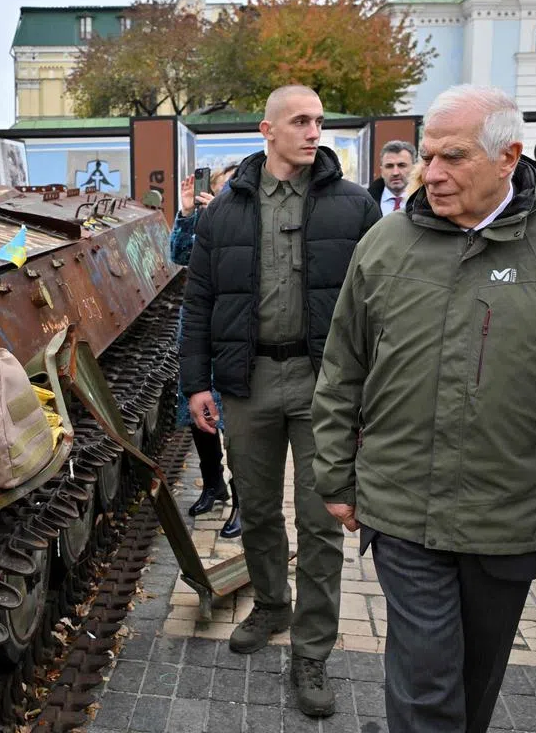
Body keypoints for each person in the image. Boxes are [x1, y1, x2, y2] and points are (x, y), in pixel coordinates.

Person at [313, 85, 536, 733]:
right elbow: (342, 367)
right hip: (403, 508)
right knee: (427, 684)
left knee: (476, 681)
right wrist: (335, 476)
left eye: (452, 158)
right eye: (428, 155)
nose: (429, 173)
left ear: (508, 157)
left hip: (513, 514)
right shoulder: (386, 245)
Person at [180, 85, 379, 718]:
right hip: (250, 381)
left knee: (322, 522)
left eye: (320, 121)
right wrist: (196, 382)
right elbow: (200, 301)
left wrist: (371, 390)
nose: (313, 131)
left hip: (327, 383)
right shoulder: (226, 211)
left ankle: (313, 646)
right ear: (267, 129)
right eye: (300, 121)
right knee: (258, 507)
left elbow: (382, 304)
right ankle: (271, 604)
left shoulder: (355, 208)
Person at [171, 164, 242, 538]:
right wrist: (186, 213)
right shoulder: (201, 219)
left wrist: (224, 217)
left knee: (237, 421)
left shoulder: (249, 220)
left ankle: (245, 500)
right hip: (199, 329)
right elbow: (179, 255)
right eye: (220, 187)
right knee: (199, 416)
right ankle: (213, 484)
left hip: (236, 329)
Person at [368, 141, 418, 216]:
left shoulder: (426, 202)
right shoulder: (367, 202)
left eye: (401, 165)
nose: (395, 173)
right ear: (381, 170)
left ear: (414, 168)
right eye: (389, 166)